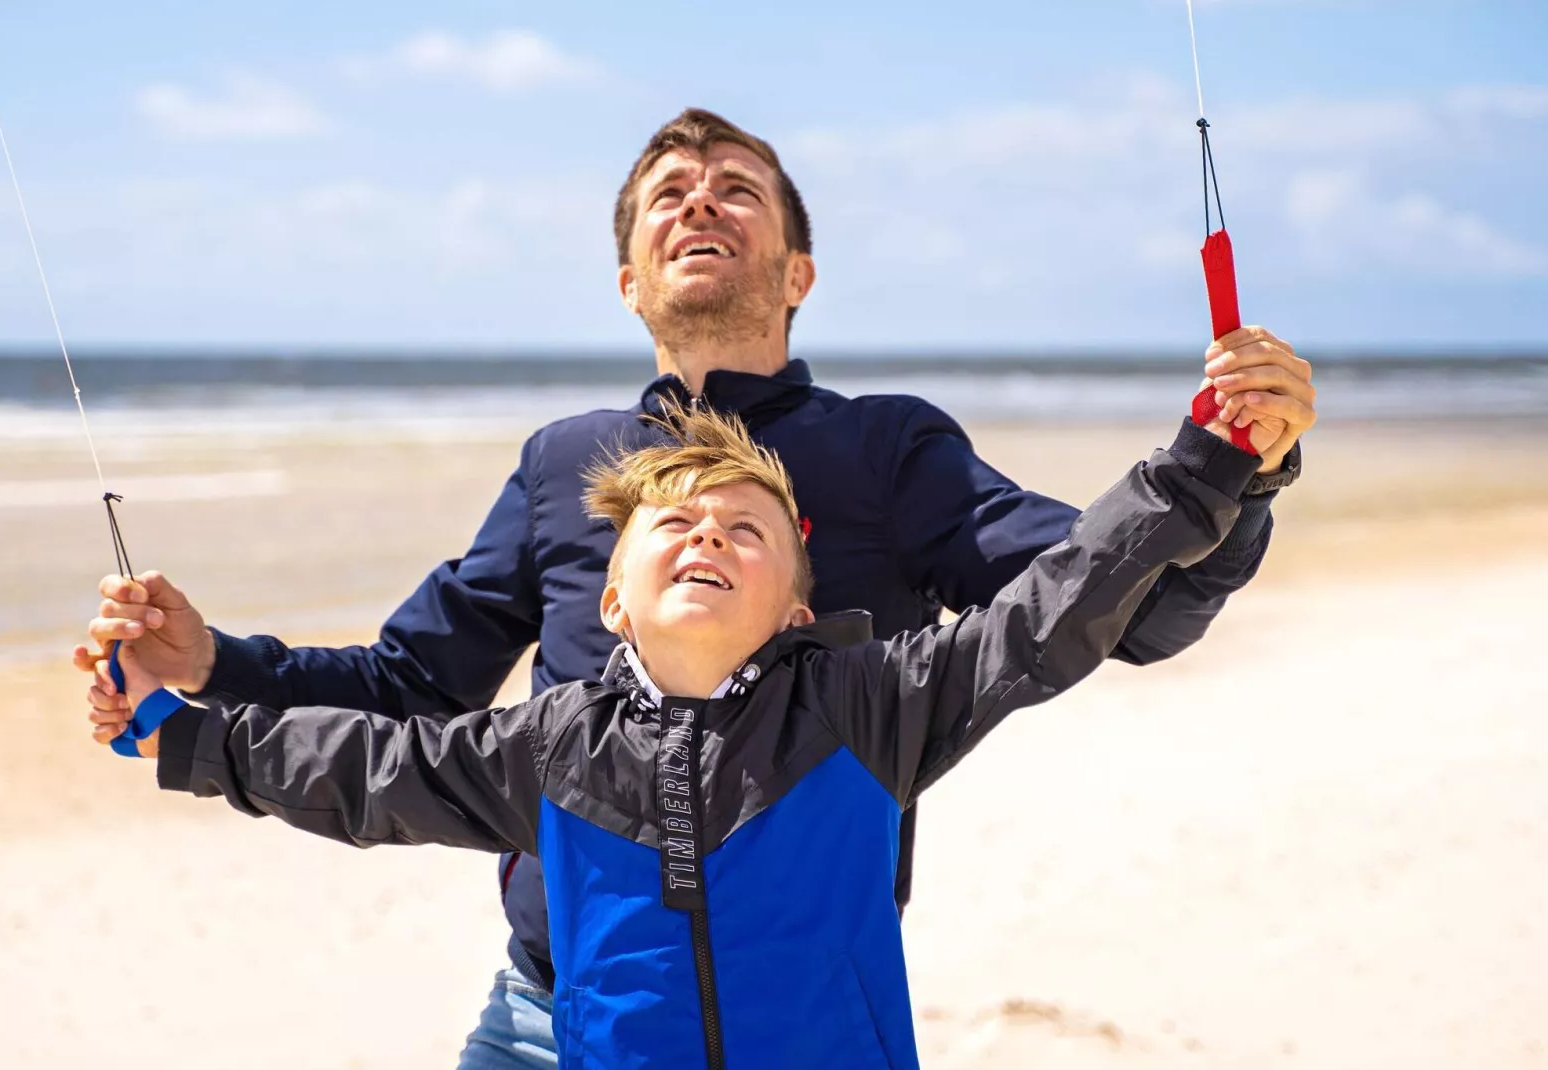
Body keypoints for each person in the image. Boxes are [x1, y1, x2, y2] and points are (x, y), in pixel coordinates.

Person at [77, 109, 1314, 1068]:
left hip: (801, 997)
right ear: (629, 279)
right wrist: (207, 666)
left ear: (797, 271)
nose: (698, 202)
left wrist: (1237, 472)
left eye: (737, 188)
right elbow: (410, 692)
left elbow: (1120, 607)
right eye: (668, 193)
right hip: (552, 1005)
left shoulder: (889, 448)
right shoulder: (566, 463)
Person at [101, 399, 1289, 1069]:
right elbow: (366, 771)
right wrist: (177, 734)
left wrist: (1202, 467)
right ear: (611, 599)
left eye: (746, 528)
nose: (709, 537)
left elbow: (1054, 606)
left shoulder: (870, 703)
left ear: (798, 605)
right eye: (674, 523)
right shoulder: (547, 745)